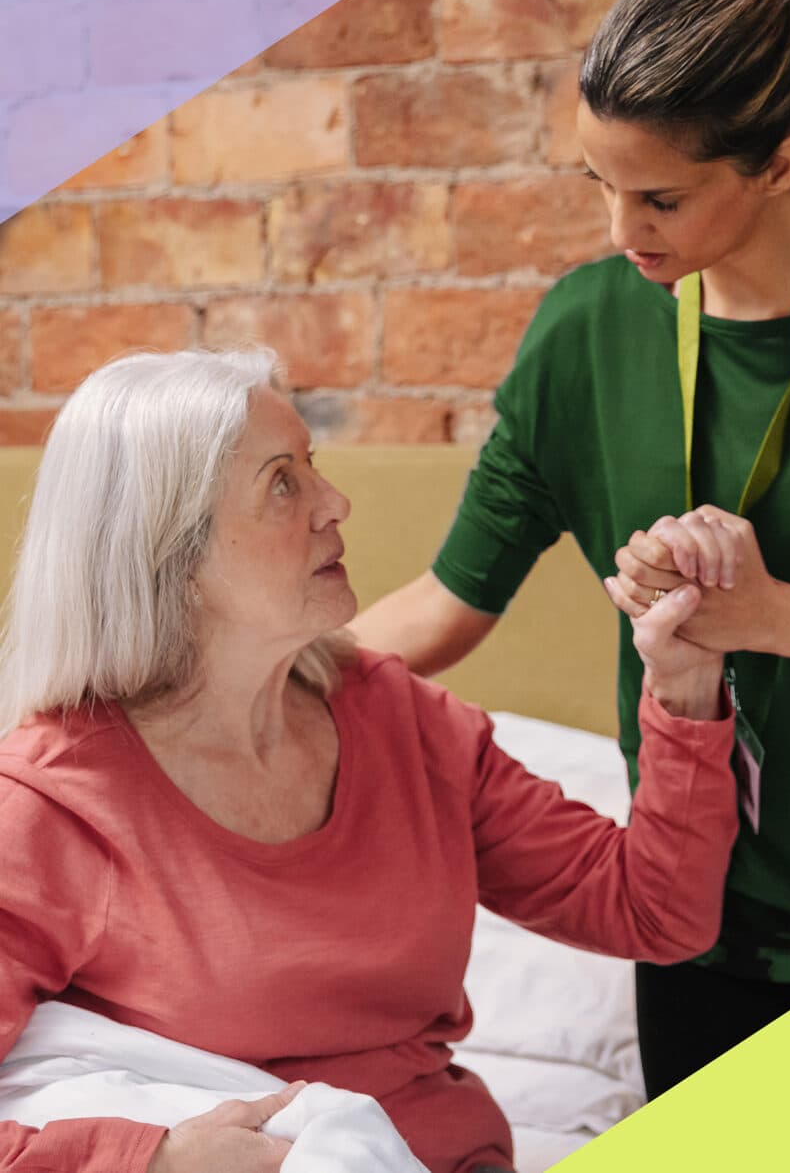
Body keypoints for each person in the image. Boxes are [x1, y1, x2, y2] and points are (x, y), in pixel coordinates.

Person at [350, 0, 790, 1097]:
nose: (619, 233)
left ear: (780, 166)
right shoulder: (584, 328)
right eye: (596, 185)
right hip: (694, 925)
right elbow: (449, 601)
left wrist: (770, 615)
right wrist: (199, 699)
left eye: (660, 197)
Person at [0, 347, 738, 1173]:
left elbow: (653, 911)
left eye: (314, 467)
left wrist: (683, 681)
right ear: (170, 547)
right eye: (283, 482)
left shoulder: (398, 718)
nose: (335, 503)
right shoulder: (50, 801)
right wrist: (155, 1160)